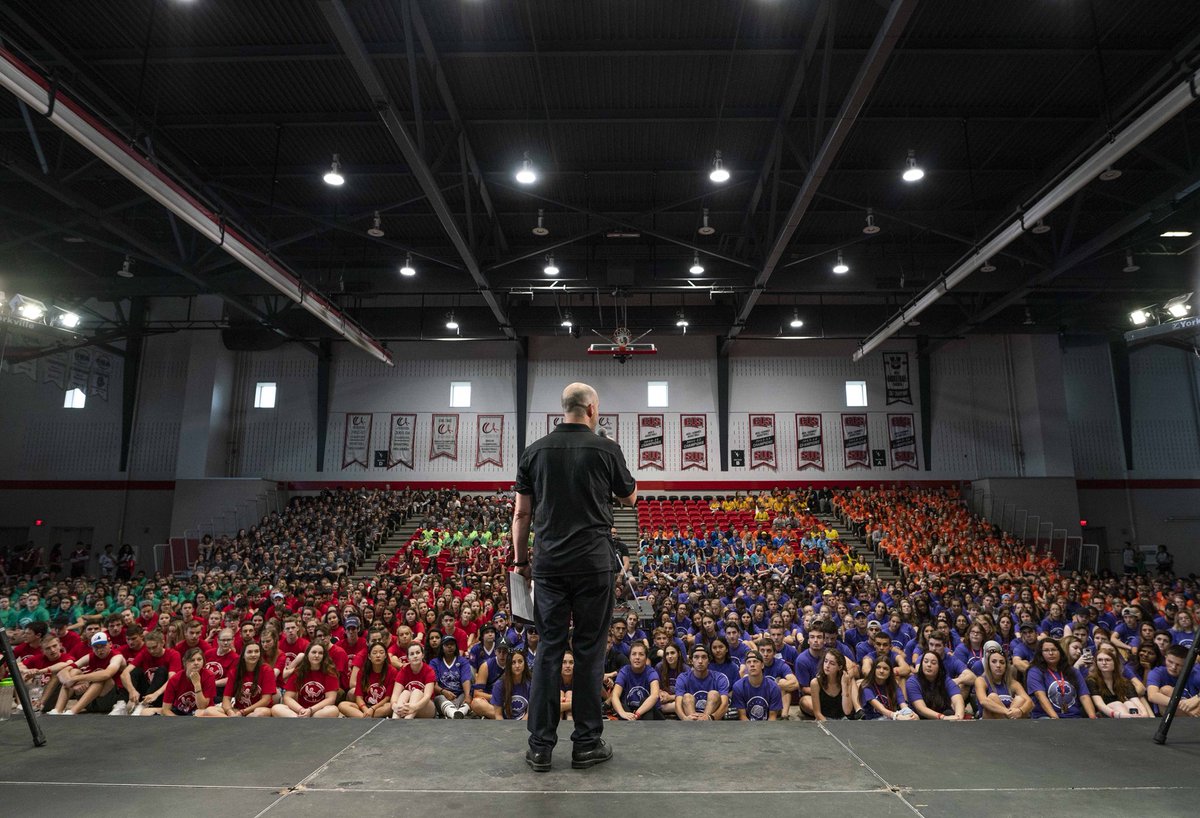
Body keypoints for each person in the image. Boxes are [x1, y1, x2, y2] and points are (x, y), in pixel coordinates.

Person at [514, 382, 637, 772]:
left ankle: (540, 747)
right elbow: (629, 497)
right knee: (589, 652)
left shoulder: (534, 452)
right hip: (594, 565)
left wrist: (521, 562)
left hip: (549, 566)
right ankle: (586, 744)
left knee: (549, 651)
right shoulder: (606, 449)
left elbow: (521, 515)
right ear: (591, 409)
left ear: (563, 408)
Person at [1025, 637, 1096, 720]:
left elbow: (1084, 696)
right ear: (1040, 654)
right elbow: (1040, 696)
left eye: (1054, 650)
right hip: (1046, 717)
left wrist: (1093, 719)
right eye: (1046, 650)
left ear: (1060, 652)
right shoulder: (1035, 671)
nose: (1051, 653)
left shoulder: (1073, 671)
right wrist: (1056, 719)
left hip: (1074, 717)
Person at [200, 641, 276, 718]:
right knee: (209, 711)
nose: (253, 654)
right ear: (243, 655)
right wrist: (230, 712)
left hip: (259, 709)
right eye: (249, 652)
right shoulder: (234, 672)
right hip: (238, 710)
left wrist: (244, 712)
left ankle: (236, 723)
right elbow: (226, 698)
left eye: (256, 651)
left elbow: (266, 700)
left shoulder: (267, 670)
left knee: (259, 713)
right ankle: (233, 722)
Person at [272, 643, 340, 718]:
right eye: (314, 652)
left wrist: (311, 710)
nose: (317, 655)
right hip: (300, 710)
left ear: (324, 656)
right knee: (276, 708)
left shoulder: (330, 673)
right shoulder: (298, 672)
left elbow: (331, 699)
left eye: (320, 653)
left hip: (319, 711)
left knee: (333, 710)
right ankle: (301, 720)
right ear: (307, 654)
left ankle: (303, 722)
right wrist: (301, 710)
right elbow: (288, 697)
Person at [146, 647, 216, 716]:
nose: (196, 663)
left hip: (201, 713)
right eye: (192, 660)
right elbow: (166, 709)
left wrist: (197, 684)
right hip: (180, 712)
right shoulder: (175, 679)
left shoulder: (209, 676)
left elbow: (202, 707)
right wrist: (179, 722)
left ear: (203, 661)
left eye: (199, 659)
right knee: (145, 712)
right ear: (185, 662)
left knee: (202, 712)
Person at [1086, 644, 1149, 718]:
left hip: (1125, 713)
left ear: (1115, 663)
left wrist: (1145, 714)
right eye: (1100, 660)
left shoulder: (1125, 682)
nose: (1104, 663)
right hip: (1105, 714)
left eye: (1107, 660)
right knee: (1117, 704)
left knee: (1129, 703)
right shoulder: (1092, 680)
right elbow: (1099, 704)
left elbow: (1136, 701)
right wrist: (1118, 715)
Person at [338, 641, 396, 719]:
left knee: (389, 706)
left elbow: (387, 698)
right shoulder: (362, 671)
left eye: (381, 653)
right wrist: (365, 709)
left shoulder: (392, 671)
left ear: (385, 655)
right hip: (366, 706)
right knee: (342, 705)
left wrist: (373, 708)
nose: (378, 655)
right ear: (369, 656)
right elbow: (359, 697)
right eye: (374, 653)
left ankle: (363, 718)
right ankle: (366, 717)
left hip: (380, 706)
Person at [675, 644, 730, 720]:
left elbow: (725, 704)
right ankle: (696, 726)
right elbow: (677, 704)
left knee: (714, 694)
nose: (700, 661)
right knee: (687, 697)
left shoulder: (719, 678)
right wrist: (684, 718)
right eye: (696, 657)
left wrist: (710, 718)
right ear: (691, 661)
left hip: (712, 720)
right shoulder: (683, 678)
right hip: (690, 718)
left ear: (709, 661)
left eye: (704, 657)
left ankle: (704, 725)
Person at [973, 647, 1031, 719]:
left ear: (1006, 666)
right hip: (988, 722)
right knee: (992, 697)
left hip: (1011, 720)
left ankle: (1007, 724)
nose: (998, 665)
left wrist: (1020, 711)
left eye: (1002, 662)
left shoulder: (1013, 683)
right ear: (988, 665)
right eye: (994, 662)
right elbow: (983, 701)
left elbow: (1030, 702)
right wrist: (1007, 712)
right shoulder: (981, 680)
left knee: (1020, 699)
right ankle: (1007, 723)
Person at [905, 651, 965, 720]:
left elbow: (957, 699)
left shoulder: (945, 679)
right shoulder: (912, 682)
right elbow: (921, 709)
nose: (929, 665)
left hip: (942, 717)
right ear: (921, 664)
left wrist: (958, 716)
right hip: (920, 719)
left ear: (939, 667)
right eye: (926, 661)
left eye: (933, 663)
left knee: (949, 712)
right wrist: (942, 717)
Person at [611, 642, 663, 721]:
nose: (637, 657)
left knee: (644, 701)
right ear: (629, 657)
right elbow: (615, 695)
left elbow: (654, 695)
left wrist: (637, 714)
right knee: (622, 706)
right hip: (631, 712)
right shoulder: (624, 671)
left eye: (641, 654)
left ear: (646, 658)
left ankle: (647, 733)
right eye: (634, 654)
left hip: (651, 714)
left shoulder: (651, 672)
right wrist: (622, 713)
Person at [1146, 645, 1200, 717]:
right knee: (1165, 690)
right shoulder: (1157, 672)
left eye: (1178, 665)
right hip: (1171, 714)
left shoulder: (1194, 673)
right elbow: (1152, 696)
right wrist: (1181, 704)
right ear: (1165, 658)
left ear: (1187, 664)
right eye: (1170, 662)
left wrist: (1197, 698)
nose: (1173, 667)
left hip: (1195, 710)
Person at [730, 650, 782, 721]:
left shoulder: (773, 687)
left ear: (762, 665)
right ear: (745, 666)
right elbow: (742, 716)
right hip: (746, 727)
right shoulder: (738, 687)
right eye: (748, 662)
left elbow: (772, 717)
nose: (752, 665)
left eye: (755, 661)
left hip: (767, 727)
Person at [391, 642, 436, 719]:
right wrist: (395, 706)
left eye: (418, 653)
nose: (415, 656)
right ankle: (395, 719)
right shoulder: (404, 671)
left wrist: (414, 707)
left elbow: (427, 696)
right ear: (408, 658)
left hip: (427, 708)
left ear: (422, 655)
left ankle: (407, 720)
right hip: (407, 708)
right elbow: (395, 695)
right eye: (412, 654)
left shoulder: (429, 671)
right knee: (405, 692)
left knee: (416, 692)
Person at [810, 649, 856, 721]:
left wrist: (844, 685)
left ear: (840, 667)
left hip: (843, 719)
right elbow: (817, 713)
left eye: (832, 663)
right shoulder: (815, 683)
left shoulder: (846, 681)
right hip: (824, 720)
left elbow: (847, 711)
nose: (827, 666)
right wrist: (830, 727)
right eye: (825, 661)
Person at [491, 650, 533, 720]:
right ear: (508, 665)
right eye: (513, 663)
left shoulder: (531, 683)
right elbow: (498, 715)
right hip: (504, 722)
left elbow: (529, 713)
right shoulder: (499, 685)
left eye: (520, 662)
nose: (517, 666)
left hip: (524, 722)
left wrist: (519, 728)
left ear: (525, 664)